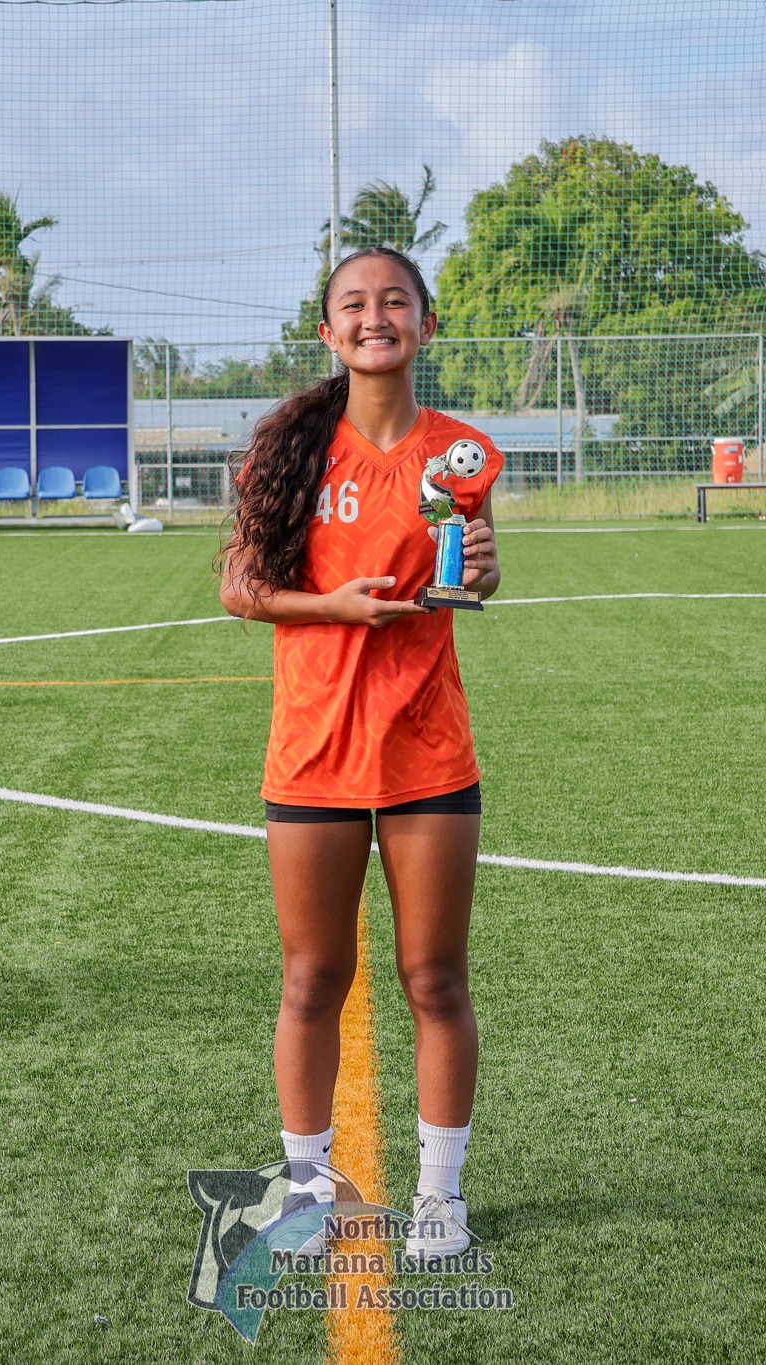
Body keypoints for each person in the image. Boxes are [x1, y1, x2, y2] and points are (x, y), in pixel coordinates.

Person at [218, 246, 502, 1257]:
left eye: (394, 301)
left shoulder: (461, 452)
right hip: (314, 751)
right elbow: (240, 588)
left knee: (435, 979)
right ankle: (304, 1193)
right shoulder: (288, 450)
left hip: (428, 749)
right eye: (353, 303)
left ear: (426, 324)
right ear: (328, 331)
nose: (374, 316)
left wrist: (481, 572)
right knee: (310, 980)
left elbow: (473, 574)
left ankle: (439, 1197)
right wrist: (334, 608)